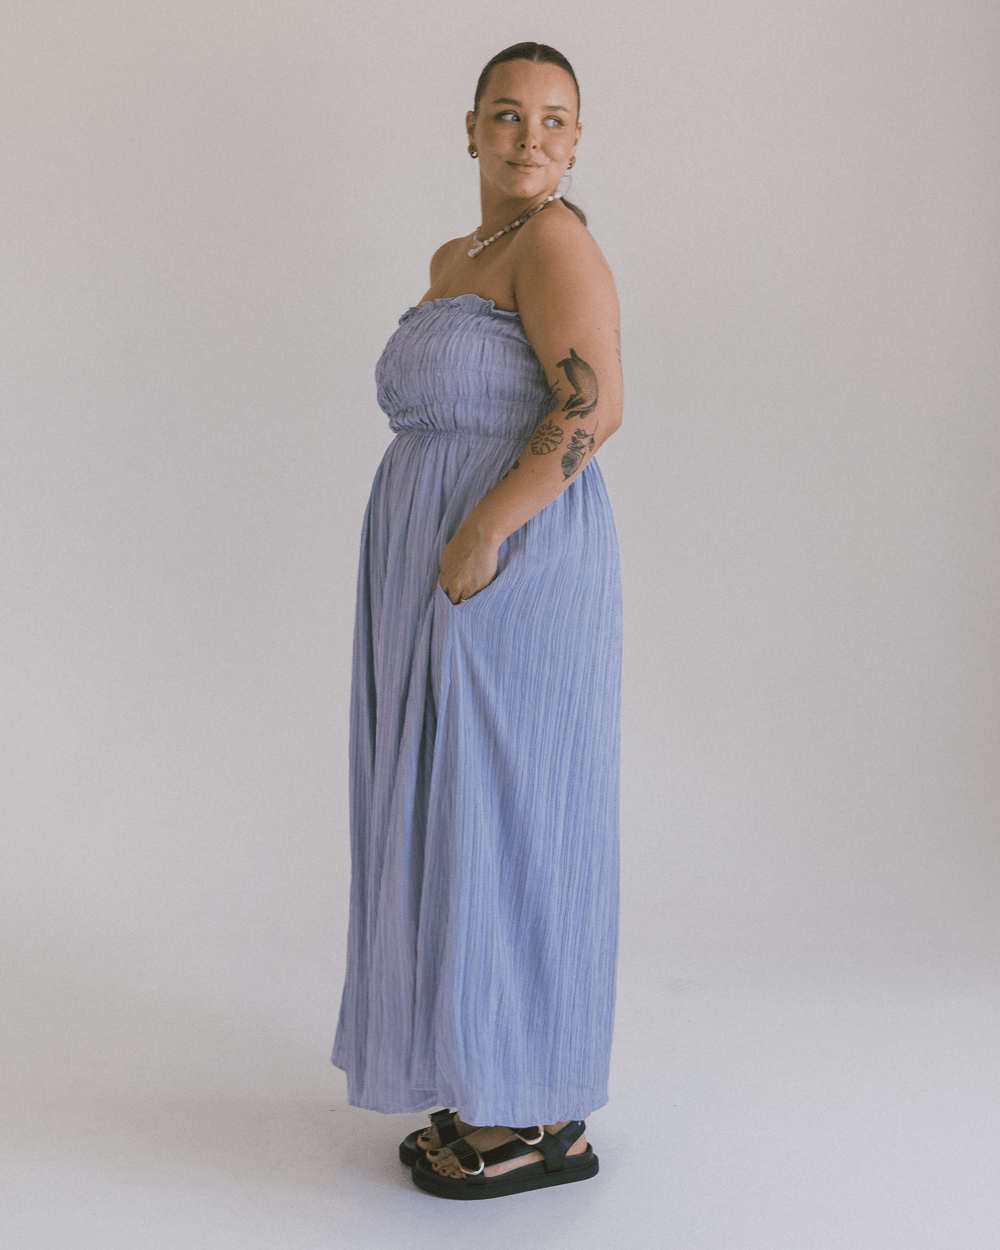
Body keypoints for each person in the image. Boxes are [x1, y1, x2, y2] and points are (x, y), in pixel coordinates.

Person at [332, 42, 623, 1200]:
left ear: (577, 139)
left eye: (553, 119)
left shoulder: (556, 241)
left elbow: (593, 405)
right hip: (438, 564)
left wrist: (481, 532)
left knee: (512, 815)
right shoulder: (456, 257)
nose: (528, 137)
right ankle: (479, 1066)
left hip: (514, 562)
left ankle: (538, 1116)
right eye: (506, 115)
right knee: (446, 811)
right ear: (469, 130)